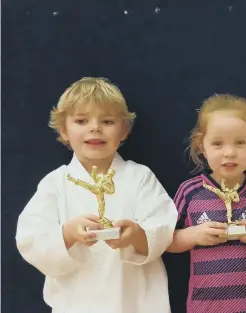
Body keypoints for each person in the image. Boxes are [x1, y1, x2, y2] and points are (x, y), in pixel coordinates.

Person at [16, 77, 177, 313]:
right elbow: (31, 239)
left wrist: (137, 236)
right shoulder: (55, 184)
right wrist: (67, 234)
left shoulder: (140, 177)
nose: (95, 128)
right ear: (64, 130)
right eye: (81, 120)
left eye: (108, 121)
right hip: (76, 303)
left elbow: (163, 227)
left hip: (136, 302)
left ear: (124, 131)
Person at [167, 94, 246, 313]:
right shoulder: (190, 192)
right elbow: (167, 241)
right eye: (217, 143)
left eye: (240, 143)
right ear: (201, 146)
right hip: (206, 306)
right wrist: (193, 236)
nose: (230, 153)